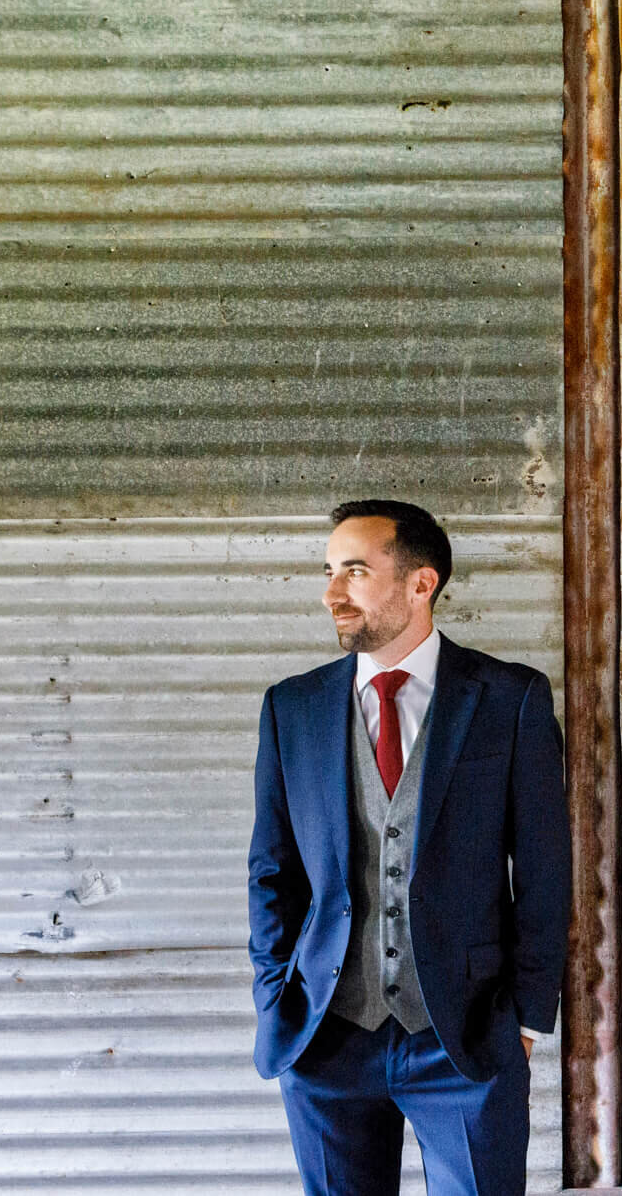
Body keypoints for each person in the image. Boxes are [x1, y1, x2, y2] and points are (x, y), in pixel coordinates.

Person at [247, 499, 571, 1196]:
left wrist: (526, 1013)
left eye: (355, 571)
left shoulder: (508, 699)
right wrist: (276, 994)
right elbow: (272, 871)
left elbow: (544, 871)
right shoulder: (291, 708)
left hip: (465, 1035)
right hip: (325, 1036)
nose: (332, 592)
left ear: (420, 583)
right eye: (329, 571)